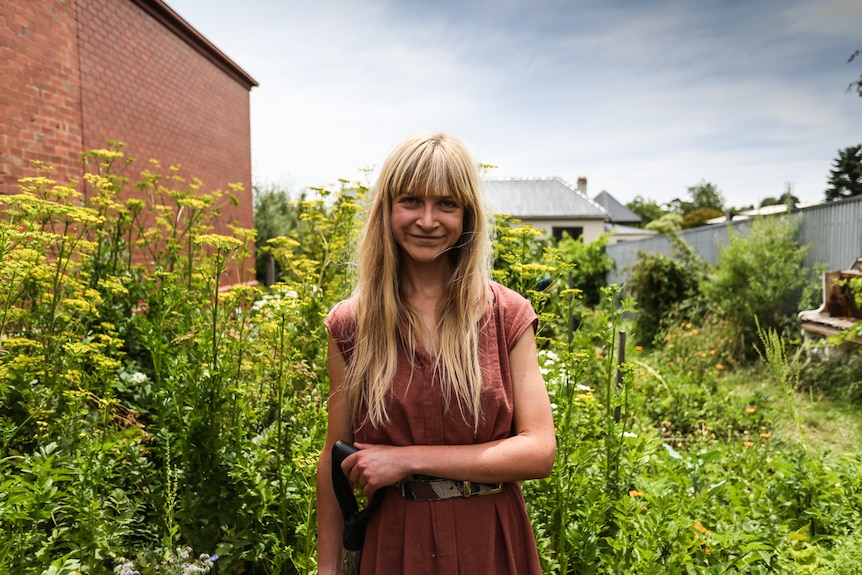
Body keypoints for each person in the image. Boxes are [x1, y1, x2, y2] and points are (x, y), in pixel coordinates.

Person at [316, 132, 556, 575]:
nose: (427, 220)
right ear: (387, 210)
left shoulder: (508, 315)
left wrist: (406, 459)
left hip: (492, 544)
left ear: (467, 216)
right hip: (394, 547)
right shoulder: (351, 325)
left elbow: (539, 451)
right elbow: (334, 455)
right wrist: (327, 570)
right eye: (410, 201)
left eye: (447, 204)